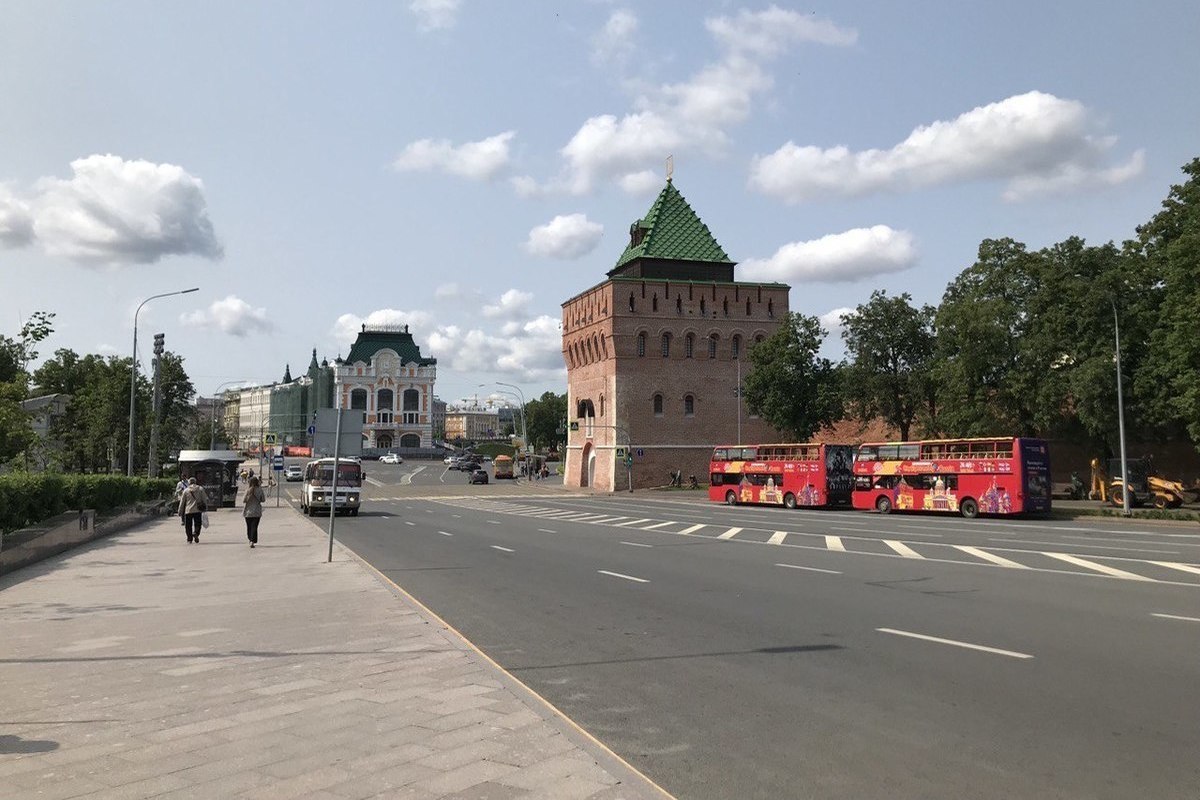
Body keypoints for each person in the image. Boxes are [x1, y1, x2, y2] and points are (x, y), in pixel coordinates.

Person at [177, 477, 207, 543]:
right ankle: (196, 533)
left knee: (188, 525)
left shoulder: (186, 490)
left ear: (189, 483)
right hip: (198, 510)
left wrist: (180, 511)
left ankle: (189, 539)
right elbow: (204, 499)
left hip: (188, 510)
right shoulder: (200, 489)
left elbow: (182, 502)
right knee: (198, 524)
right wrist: (205, 508)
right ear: (195, 482)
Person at [243, 475, 266, 548]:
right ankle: (252, 541)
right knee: (254, 527)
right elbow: (263, 500)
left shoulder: (247, 490)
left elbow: (244, 500)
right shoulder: (260, 490)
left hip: (248, 512)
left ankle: (250, 539)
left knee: (249, 527)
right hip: (256, 512)